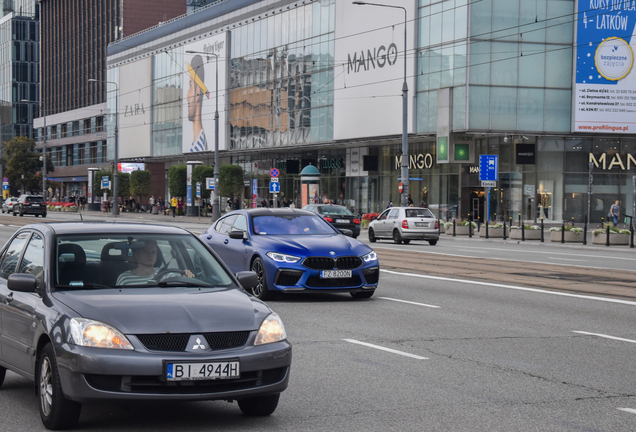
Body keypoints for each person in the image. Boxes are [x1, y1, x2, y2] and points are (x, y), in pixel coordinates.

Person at [115, 240, 194, 286]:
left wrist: (187, 278)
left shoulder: (167, 276)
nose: (150, 255)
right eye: (146, 252)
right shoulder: (125, 278)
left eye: (153, 252)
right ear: (137, 255)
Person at [186, 54, 208, 152]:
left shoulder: (201, 147)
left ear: (198, 92)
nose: (187, 96)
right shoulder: (193, 146)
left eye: (190, 86)